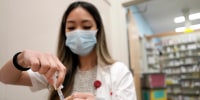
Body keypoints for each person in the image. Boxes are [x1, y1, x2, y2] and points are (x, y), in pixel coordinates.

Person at [0, 1, 137, 100]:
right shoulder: (54, 71)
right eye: (71, 28)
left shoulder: (118, 72)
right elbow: (5, 78)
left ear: (98, 31)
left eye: (86, 26)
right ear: (64, 33)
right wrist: (21, 58)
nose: (78, 32)